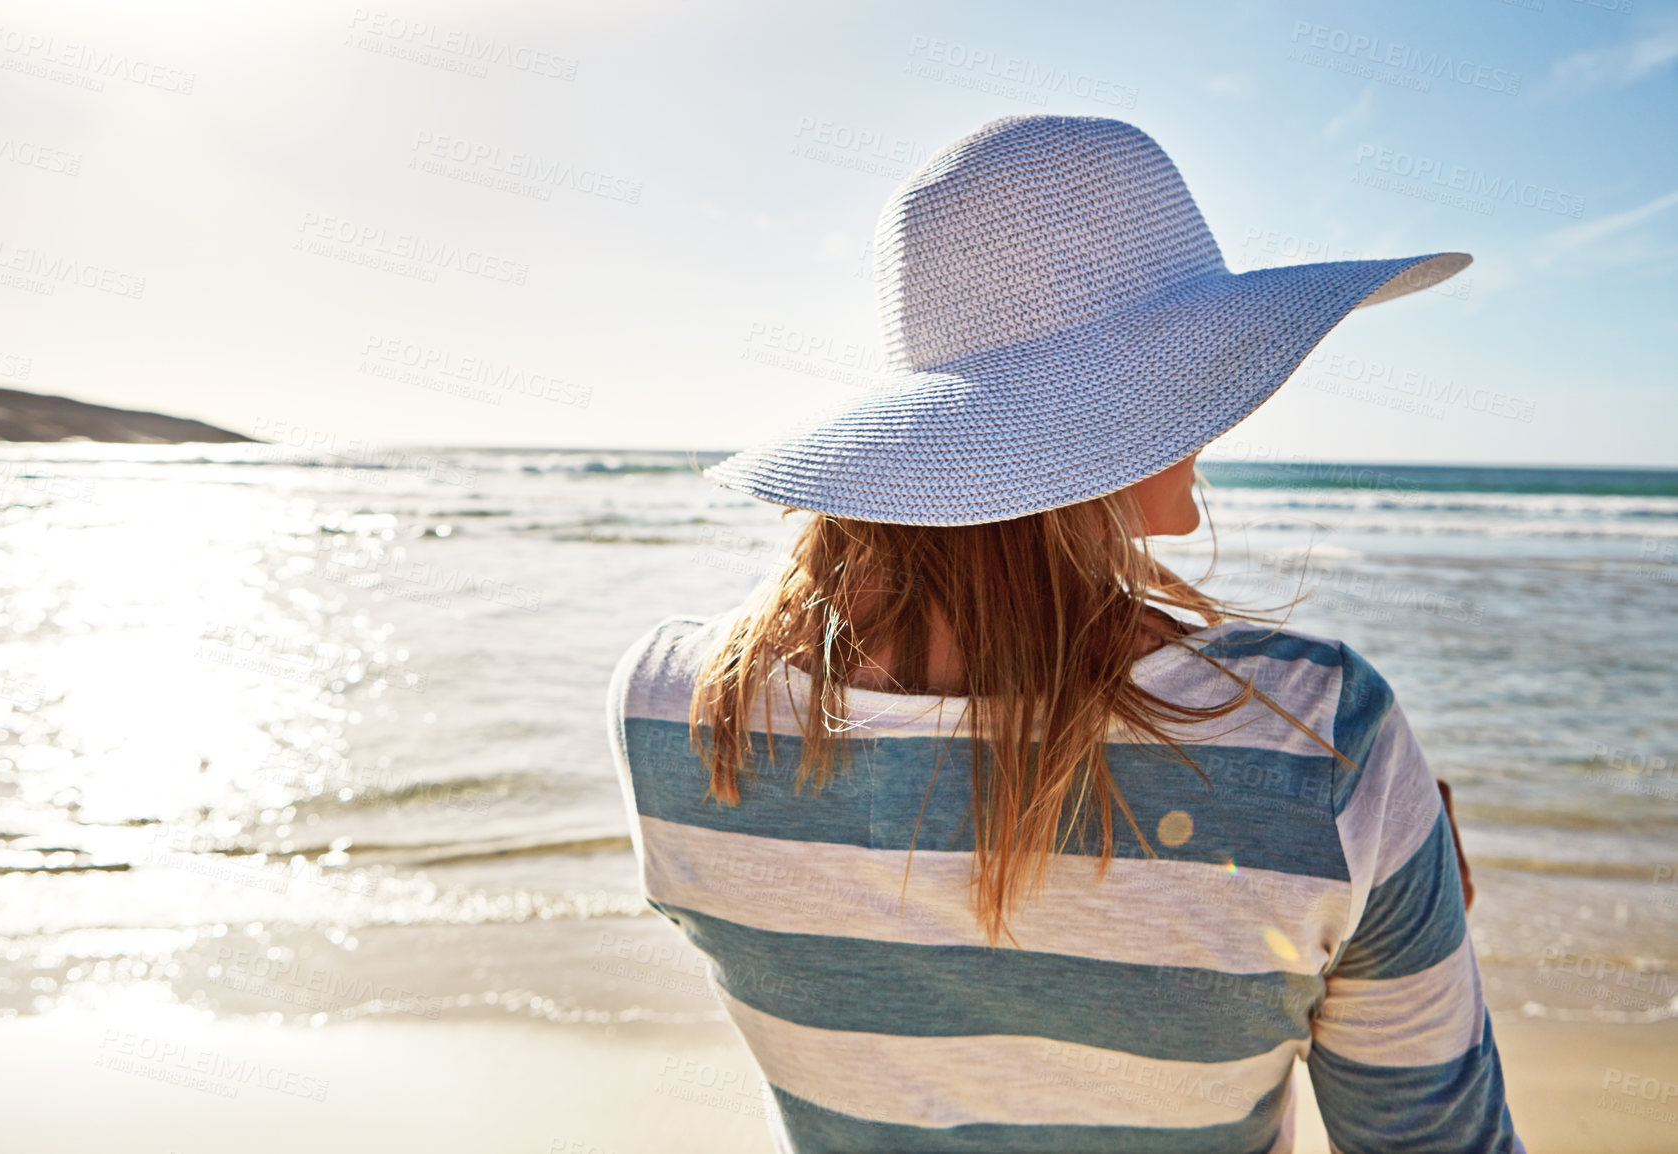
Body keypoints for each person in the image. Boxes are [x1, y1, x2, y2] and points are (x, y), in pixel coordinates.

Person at [606, 115, 1519, 1153]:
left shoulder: (669, 711)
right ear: (1113, 418)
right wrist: (1399, 905)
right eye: (1190, 383)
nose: (1207, 438)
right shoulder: (1319, 740)